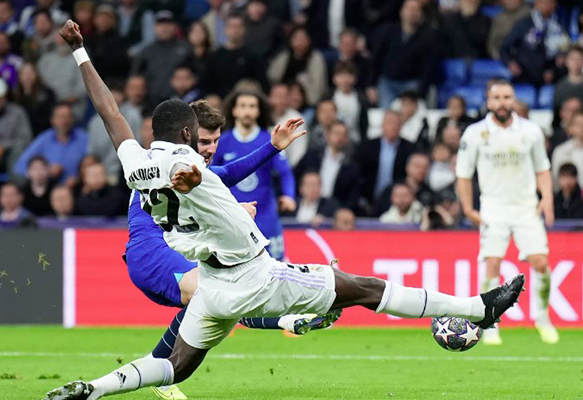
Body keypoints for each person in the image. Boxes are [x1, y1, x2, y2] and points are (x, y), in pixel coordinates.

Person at [44, 21, 525, 400]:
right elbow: (190, 173)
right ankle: (478, 308)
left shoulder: (136, 161)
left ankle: (95, 388)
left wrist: (81, 52)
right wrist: (193, 178)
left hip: (213, 288)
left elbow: (110, 113)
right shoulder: (189, 165)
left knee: (174, 366)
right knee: (366, 289)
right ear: (189, 133)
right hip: (256, 275)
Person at [456, 79, 557, 345]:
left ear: (514, 100)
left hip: (526, 207)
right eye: (497, 98)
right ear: (489, 102)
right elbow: (463, 174)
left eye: (507, 97)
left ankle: (543, 317)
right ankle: (489, 324)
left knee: (541, 262)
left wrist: (546, 198)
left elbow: (543, 169)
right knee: (493, 263)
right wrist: (468, 207)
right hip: (493, 207)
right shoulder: (475, 133)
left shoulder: (531, 131)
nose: (502, 102)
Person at [213, 90, 296, 260]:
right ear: (234, 110)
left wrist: (289, 195)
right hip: (232, 216)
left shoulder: (271, 140)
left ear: (259, 111)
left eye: (252, 106)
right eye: (243, 106)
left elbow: (285, 172)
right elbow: (212, 177)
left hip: (265, 215)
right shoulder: (222, 142)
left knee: (276, 264)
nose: (247, 111)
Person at [367, 0, 439, 108]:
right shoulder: (388, 32)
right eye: (409, 9)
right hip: (388, 82)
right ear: (401, 12)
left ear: (421, 14)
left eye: (415, 10)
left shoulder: (428, 36)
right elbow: (377, 58)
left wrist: (421, 92)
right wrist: (371, 85)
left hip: (412, 83)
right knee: (386, 112)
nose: (412, 13)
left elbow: (429, 68)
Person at [14, 102, 88, 185]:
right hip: (49, 188)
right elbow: (20, 167)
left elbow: (93, 164)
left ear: (73, 119)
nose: (64, 121)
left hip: (79, 187)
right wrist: (46, 171)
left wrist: (79, 178)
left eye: (67, 117)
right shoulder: (44, 139)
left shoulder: (84, 139)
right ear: (52, 120)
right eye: (60, 117)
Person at [357, 110, 415, 215]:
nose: (393, 127)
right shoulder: (367, 147)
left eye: (396, 123)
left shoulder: (409, 148)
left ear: (401, 126)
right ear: (382, 125)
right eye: (389, 122)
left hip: (398, 201)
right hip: (369, 198)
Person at [500, 0, 570, 86]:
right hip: (525, 74)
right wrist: (510, 63)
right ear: (536, 4)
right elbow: (505, 47)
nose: (546, 5)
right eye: (543, 2)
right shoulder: (524, 23)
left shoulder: (560, 24)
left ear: (555, 5)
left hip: (552, 76)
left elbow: (565, 48)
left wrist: (554, 69)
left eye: (550, 2)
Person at [295, 121, 360, 210]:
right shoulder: (312, 156)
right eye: (336, 133)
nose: (340, 138)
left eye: (343, 134)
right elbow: (296, 177)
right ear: (327, 135)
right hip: (307, 206)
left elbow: (353, 195)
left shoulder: (352, 165)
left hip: (335, 211)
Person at [132, 10, 192, 105]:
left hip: (181, 100)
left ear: (175, 26)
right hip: (151, 101)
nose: (165, 27)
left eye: (168, 24)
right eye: (161, 24)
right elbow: (135, 75)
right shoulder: (146, 51)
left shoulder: (186, 48)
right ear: (155, 27)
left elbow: (196, 73)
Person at [202, 13, 268, 99]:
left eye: (238, 26)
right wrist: (211, 97)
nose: (235, 30)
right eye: (231, 26)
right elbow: (206, 85)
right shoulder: (215, 56)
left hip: (244, 101)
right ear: (225, 29)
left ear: (244, 29)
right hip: (218, 102)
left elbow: (262, 84)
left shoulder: (253, 56)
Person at [267, 26, 327, 106]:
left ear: (309, 40)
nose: (300, 42)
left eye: (303, 38)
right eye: (297, 38)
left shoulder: (316, 58)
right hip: (285, 99)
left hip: (308, 100)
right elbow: (272, 77)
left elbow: (318, 86)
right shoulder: (284, 56)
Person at [330, 61, 369, 144]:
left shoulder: (360, 98)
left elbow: (364, 122)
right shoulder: (329, 97)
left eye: (348, 75)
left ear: (355, 78)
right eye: (341, 75)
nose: (344, 79)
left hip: (354, 139)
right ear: (334, 78)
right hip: (333, 139)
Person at [269, 82, 307, 167]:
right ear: (270, 98)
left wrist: (287, 170)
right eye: (278, 96)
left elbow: (299, 152)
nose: (281, 100)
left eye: (285, 96)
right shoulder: (262, 117)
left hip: (288, 166)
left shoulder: (297, 119)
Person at [13, 62, 56, 136]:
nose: (27, 76)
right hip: (21, 132)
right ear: (19, 76)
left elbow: (49, 116)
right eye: (24, 73)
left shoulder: (46, 94)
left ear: (36, 75)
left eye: (30, 73)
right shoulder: (14, 96)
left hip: (42, 132)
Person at [553, 45, 583, 127]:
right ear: (566, 61)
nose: (575, 62)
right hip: (565, 127)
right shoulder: (560, 86)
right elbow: (556, 114)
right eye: (572, 59)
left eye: (579, 59)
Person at [552, 111, 583, 189]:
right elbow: (556, 181)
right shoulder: (560, 151)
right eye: (578, 124)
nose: (582, 128)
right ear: (570, 127)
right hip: (568, 195)